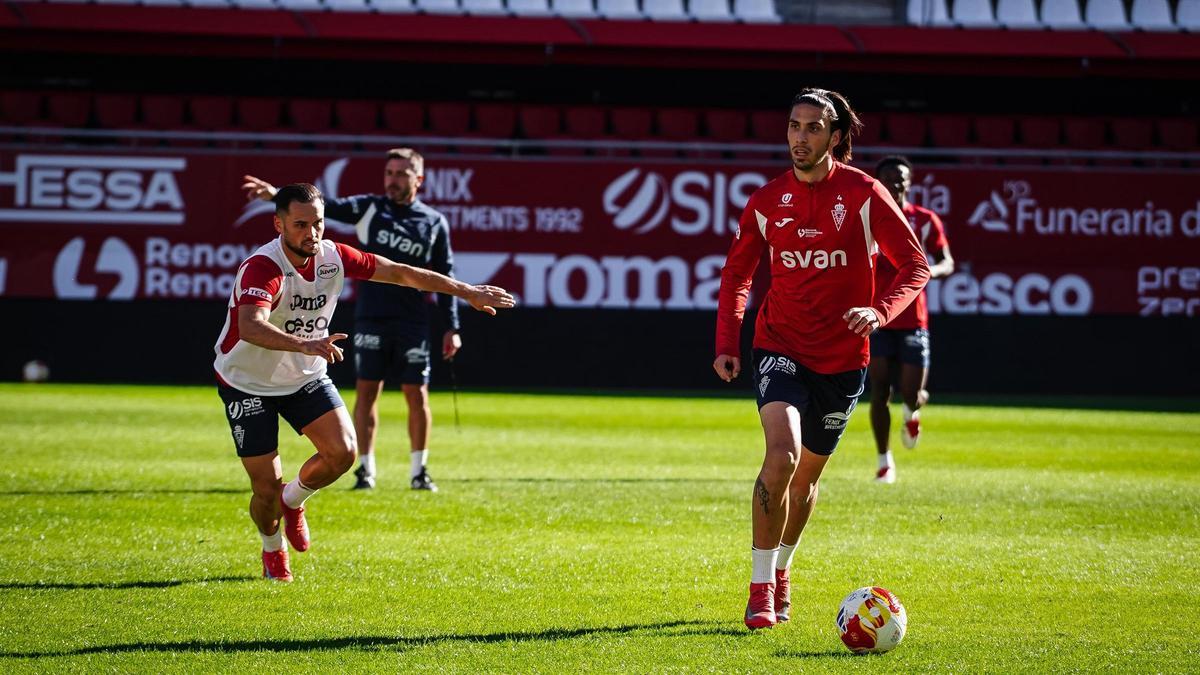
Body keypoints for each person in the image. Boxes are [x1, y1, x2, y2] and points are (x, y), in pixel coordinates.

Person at [215, 183, 514, 582]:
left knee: (343, 453)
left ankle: (294, 499)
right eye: (300, 224)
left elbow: (400, 272)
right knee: (264, 490)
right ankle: (273, 549)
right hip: (247, 381)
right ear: (279, 224)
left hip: (304, 374)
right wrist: (304, 344)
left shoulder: (333, 257)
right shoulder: (262, 267)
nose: (312, 233)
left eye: (318, 223)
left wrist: (467, 291)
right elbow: (251, 326)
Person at [713, 89, 930, 630]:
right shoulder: (767, 200)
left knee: (806, 479)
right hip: (779, 345)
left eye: (813, 127)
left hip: (843, 358)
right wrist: (727, 342)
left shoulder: (864, 193)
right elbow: (737, 275)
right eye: (794, 125)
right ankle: (760, 589)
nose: (800, 137)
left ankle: (783, 569)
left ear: (835, 136)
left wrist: (879, 311)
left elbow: (915, 267)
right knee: (781, 457)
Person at [243, 148, 455, 493]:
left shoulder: (433, 222)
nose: (392, 180)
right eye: (389, 173)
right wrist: (275, 195)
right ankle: (366, 470)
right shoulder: (370, 207)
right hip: (372, 316)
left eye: (401, 174)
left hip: (412, 319)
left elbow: (441, 272)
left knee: (417, 394)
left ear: (418, 179)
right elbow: (323, 207)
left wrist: (452, 325)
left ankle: (419, 470)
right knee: (367, 392)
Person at [868, 156, 955, 484]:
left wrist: (928, 271)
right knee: (879, 390)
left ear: (910, 182)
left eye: (900, 177)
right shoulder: (867, 218)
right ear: (878, 182)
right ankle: (884, 462)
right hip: (877, 317)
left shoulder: (925, 220)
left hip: (913, 320)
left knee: (910, 393)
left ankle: (912, 411)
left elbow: (947, 261)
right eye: (888, 177)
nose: (895, 182)